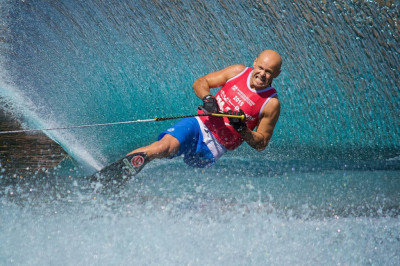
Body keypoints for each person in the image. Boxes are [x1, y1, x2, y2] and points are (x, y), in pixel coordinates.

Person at [127, 49, 281, 171]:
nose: (262, 74)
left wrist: (242, 129)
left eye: (268, 72)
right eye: (260, 68)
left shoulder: (271, 103)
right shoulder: (237, 72)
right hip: (200, 124)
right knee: (164, 147)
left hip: (215, 148)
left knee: (183, 160)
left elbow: (261, 143)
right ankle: (120, 169)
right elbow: (201, 82)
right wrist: (208, 98)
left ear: (276, 74)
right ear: (255, 62)